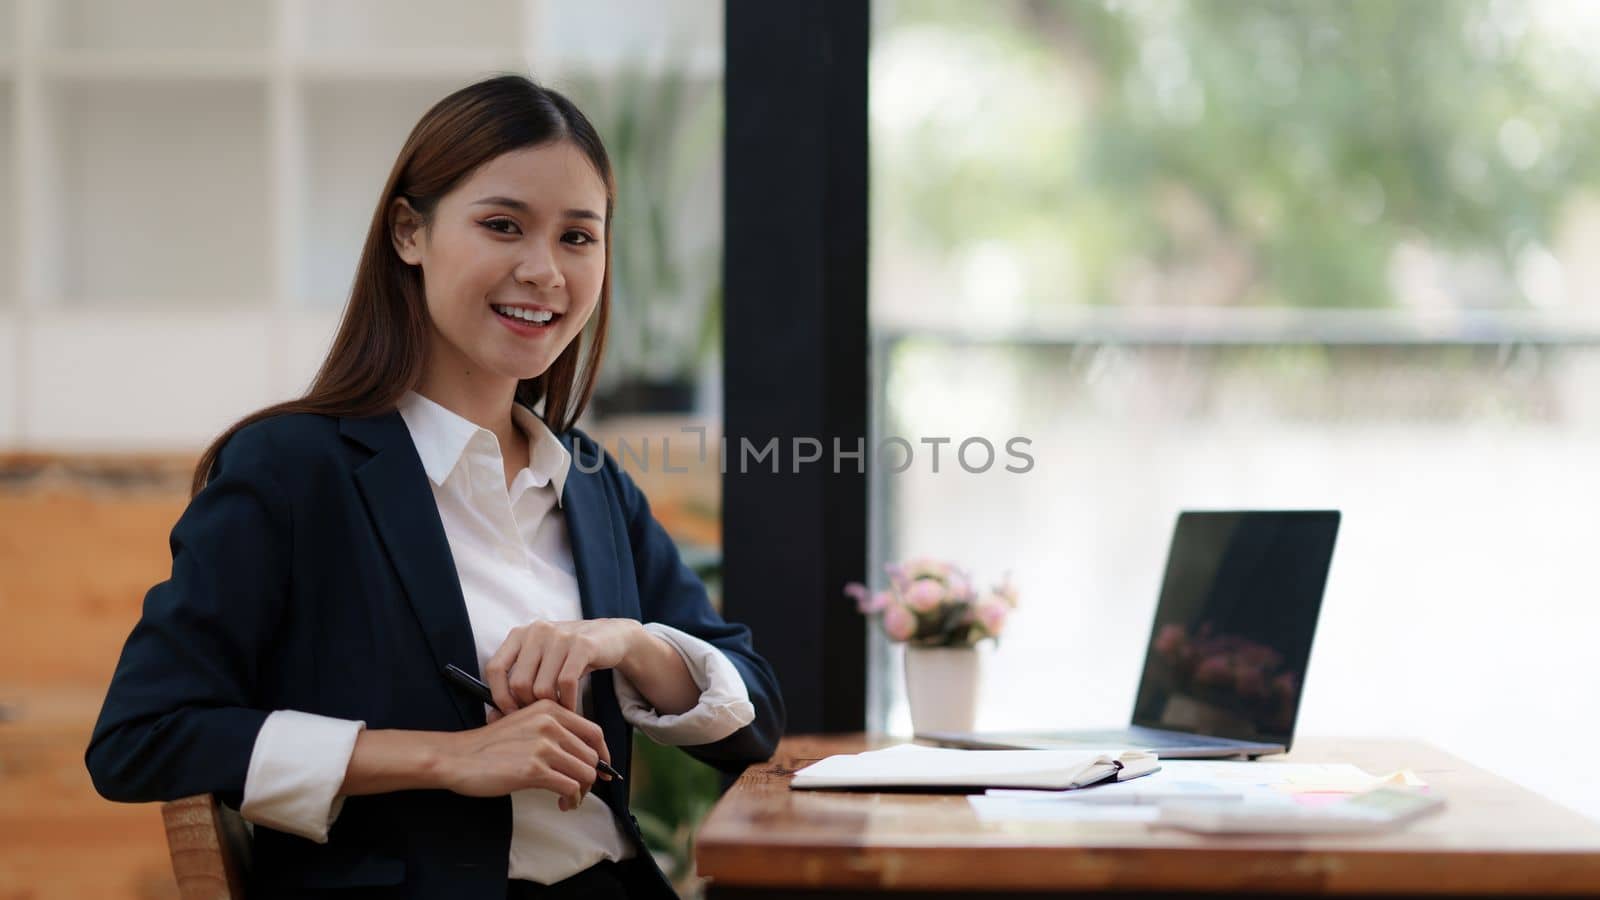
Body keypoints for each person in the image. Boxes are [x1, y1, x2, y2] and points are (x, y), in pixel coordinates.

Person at [84, 74, 784, 900]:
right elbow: (144, 737)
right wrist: (447, 758)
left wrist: (623, 642)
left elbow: (753, 718)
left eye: (578, 237)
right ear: (409, 233)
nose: (545, 271)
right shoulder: (290, 470)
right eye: (502, 226)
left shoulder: (587, 478)